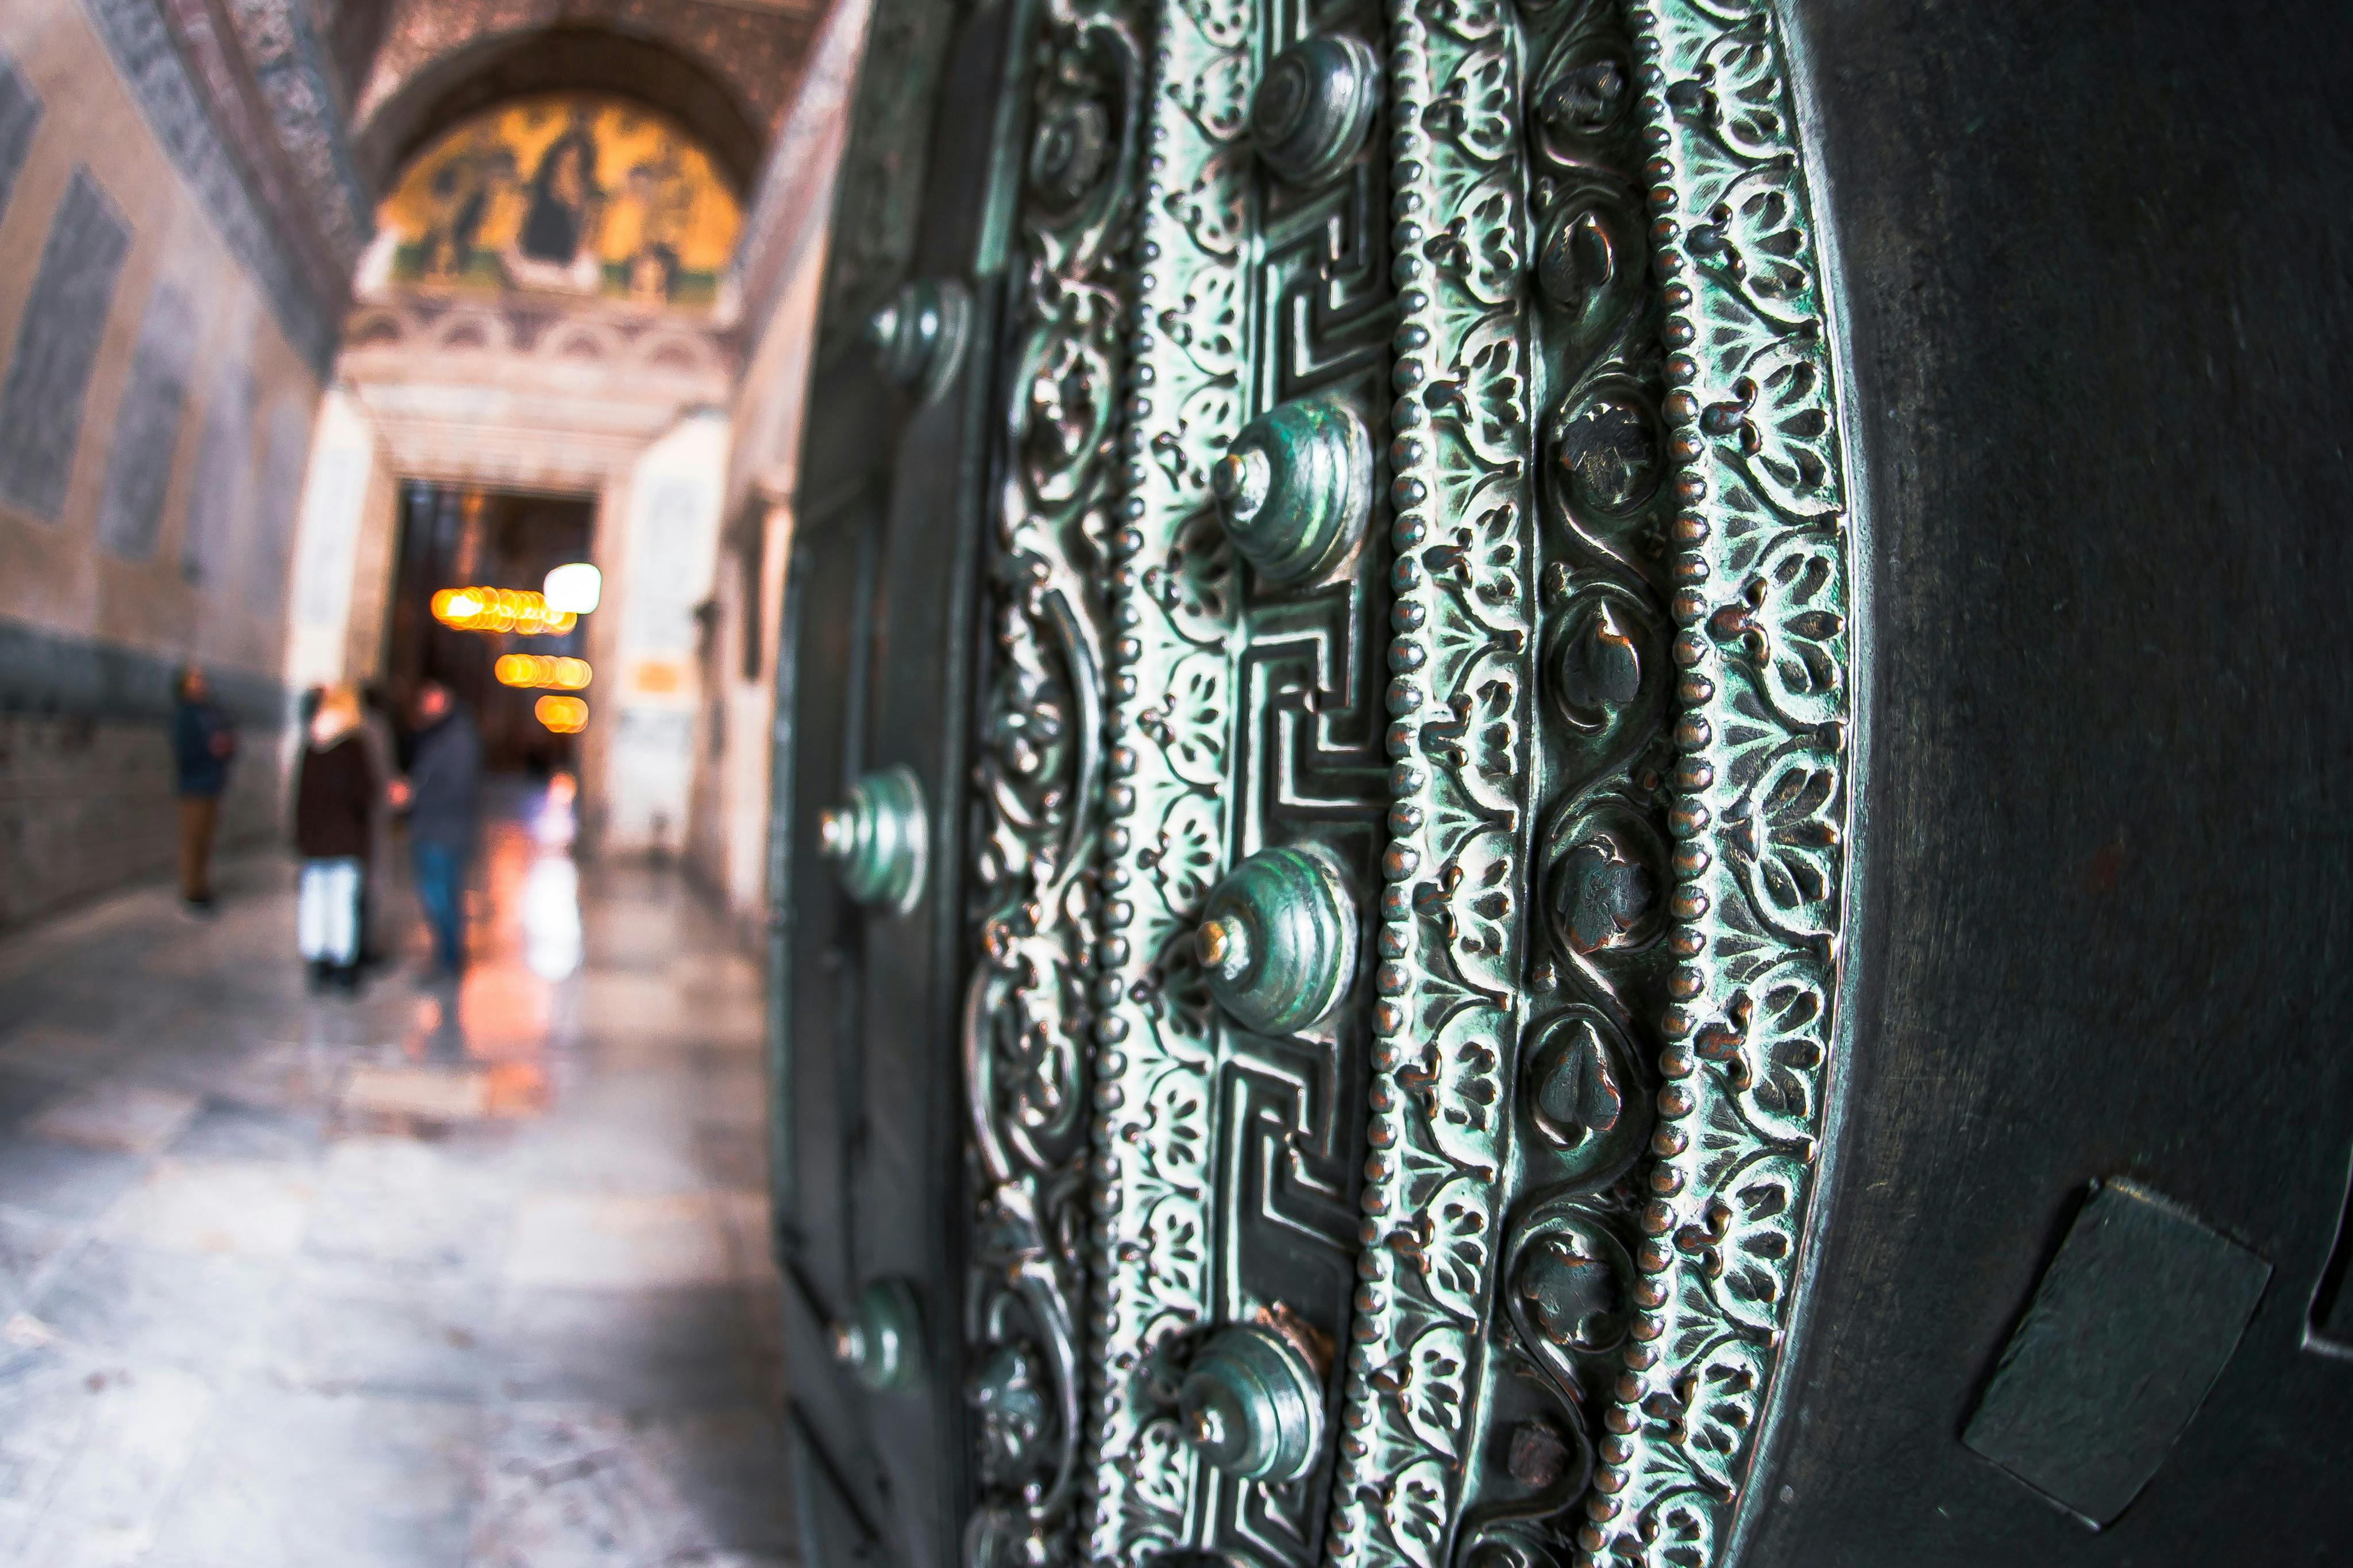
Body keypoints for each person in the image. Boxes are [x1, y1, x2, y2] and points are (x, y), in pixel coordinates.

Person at [292, 687, 376, 993]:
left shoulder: (311, 744)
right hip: (345, 839)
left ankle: (317, 961)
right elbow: (365, 792)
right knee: (343, 902)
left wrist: (300, 836)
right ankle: (343, 966)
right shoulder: (352, 747)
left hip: (315, 840)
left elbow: (300, 797)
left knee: (314, 901)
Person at [403, 679, 481, 976]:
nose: (425, 704)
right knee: (436, 894)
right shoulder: (436, 734)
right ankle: (446, 955)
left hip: (445, 830)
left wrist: (415, 794)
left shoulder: (458, 737)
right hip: (432, 826)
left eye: (430, 698)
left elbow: (456, 786)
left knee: (442, 896)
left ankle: (450, 959)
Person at [169, 664, 237, 913]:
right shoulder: (185, 714)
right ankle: (191, 890)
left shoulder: (209, 712)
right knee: (193, 839)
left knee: (206, 839)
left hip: (211, 783)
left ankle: (201, 886)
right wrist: (210, 750)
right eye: (194, 679)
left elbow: (226, 736)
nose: (200, 683)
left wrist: (225, 746)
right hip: (193, 786)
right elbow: (185, 751)